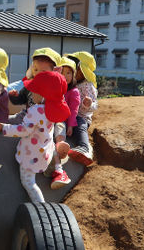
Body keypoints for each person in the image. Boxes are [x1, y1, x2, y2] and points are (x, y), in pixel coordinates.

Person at [0, 71, 70, 202]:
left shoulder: (35, 110)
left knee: (28, 183)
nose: (31, 94)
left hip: (31, 154)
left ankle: (41, 207)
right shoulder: (52, 109)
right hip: (45, 151)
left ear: (43, 95)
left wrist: (5, 128)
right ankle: (53, 169)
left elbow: (24, 130)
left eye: (34, 91)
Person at [47, 56, 81, 189]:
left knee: (60, 125)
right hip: (50, 118)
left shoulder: (73, 91)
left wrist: (71, 125)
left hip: (62, 119)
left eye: (69, 73)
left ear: (73, 75)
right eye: (63, 72)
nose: (65, 75)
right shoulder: (55, 88)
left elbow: (74, 110)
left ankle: (60, 143)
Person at [7, 47, 61, 125]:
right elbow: (21, 99)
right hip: (27, 116)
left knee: (59, 125)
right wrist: (14, 96)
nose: (38, 74)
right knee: (7, 120)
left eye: (43, 71)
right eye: (36, 70)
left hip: (45, 120)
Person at [66, 51, 98, 166]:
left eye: (76, 70)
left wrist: (88, 104)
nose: (72, 73)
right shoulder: (69, 83)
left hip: (81, 116)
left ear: (84, 72)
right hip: (67, 115)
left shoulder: (87, 85)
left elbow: (95, 105)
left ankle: (85, 148)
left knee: (80, 125)